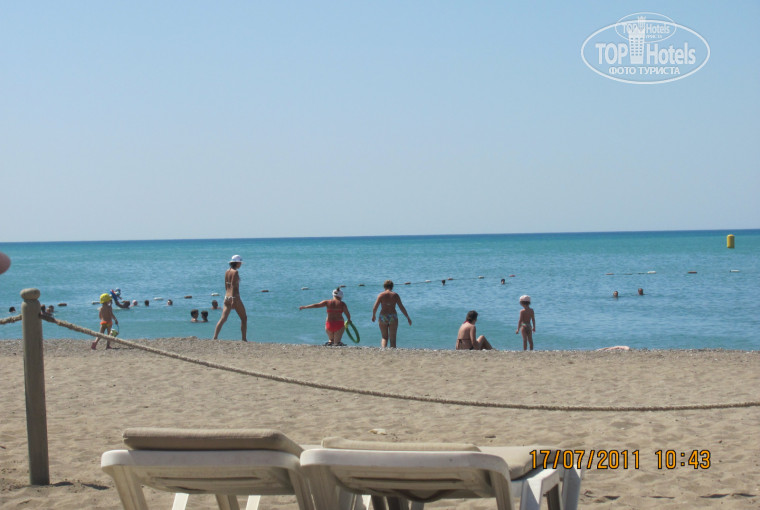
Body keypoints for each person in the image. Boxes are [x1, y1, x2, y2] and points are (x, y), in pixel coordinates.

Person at [213, 255, 248, 341]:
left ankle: (215, 337)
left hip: (226, 297)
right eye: (240, 263)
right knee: (244, 318)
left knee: (223, 319)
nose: (241, 264)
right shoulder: (235, 272)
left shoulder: (227, 271)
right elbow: (233, 286)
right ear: (237, 263)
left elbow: (226, 285)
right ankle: (244, 339)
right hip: (234, 297)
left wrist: (228, 297)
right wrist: (233, 299)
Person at [371, 280, 412, 348]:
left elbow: (375, 307)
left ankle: (383, 350)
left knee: (384, 337)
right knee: (393, 338)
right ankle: (392, 352)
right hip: (393, 316)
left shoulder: (381, 295)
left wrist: (373, 315)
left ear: (384, 286)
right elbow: (401, 307)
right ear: (392, 287)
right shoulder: (395, 295)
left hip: (383, 316)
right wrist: (407, 317)